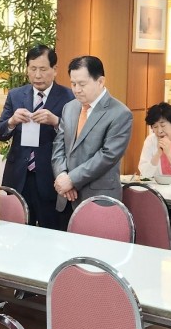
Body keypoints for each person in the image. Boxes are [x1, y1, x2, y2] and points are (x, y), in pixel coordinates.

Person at [0, 45, 73, 228]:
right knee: (15, 231)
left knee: (51, 232)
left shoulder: (68, 97)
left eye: (43, 69)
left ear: (55, 70)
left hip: (50, 177)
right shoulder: (16, 95)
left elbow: (76, 138)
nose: (37, 75)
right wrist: (12, 122)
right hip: (19, 176)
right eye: (33, 69)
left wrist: (56, 121)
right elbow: (0, 132)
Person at [51, 56, 133, 227]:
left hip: (98, 198)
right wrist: (61, 175)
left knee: (97, 252)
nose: (76, 89)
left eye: (82, 84)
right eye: (73, 84)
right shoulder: (70, 107)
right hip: (66, 196)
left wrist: (72, 179)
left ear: (100, 81)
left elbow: (107, 156)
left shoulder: (120, 113)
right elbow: (59, 145)